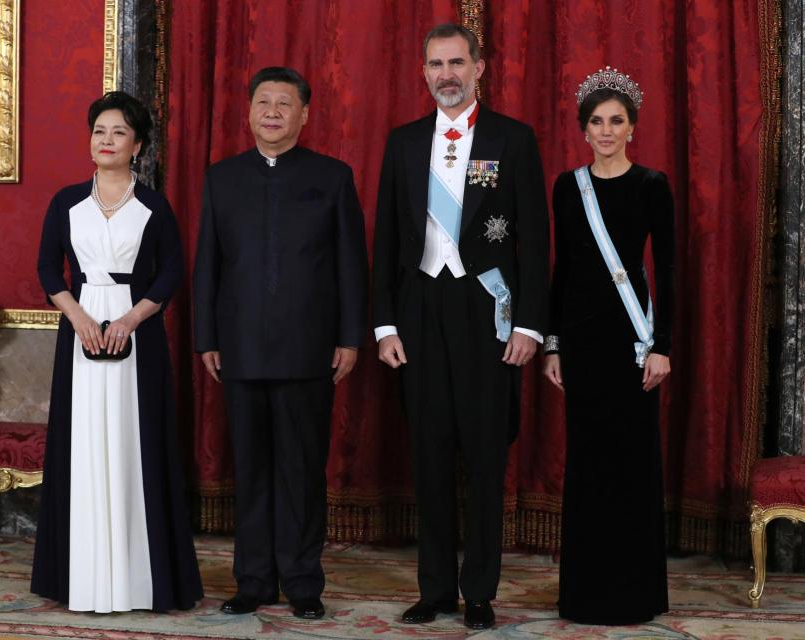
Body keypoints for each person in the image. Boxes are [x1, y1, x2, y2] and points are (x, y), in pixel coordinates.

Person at [372, 24, 549, 630]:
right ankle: (436, 589)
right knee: (429, 457)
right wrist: (384, 325)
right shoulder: (401, 143)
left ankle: (479, 592)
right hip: (419, 313)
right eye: (435, 64)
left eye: (456, 62)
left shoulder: (514, 139)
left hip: (488, 314)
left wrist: (530, 325)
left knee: (483, 455)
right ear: (423, 72)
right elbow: (387, 243)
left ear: (480, 68)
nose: (445, 73)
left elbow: (536, 242)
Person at [193, 67, 368, 620]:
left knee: (300, 468)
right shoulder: (222, 178)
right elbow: (209, 267)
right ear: (248, 112)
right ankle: (253, 580)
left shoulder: (333, 177)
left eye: (284, 103)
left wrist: (349, 336)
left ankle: (301, 580)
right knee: (251, 468)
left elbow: (350, 265)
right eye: (263, 102)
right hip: (239, 347)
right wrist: (206, 337)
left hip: (310, 348)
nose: (272, 112)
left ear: (304, 115)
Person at [31, 91, 203, 612]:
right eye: (99, 131)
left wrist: (130, 319)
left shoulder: (153, 205)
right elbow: (46, 269)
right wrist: (80, 318)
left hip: (138, 332)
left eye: (119, 133)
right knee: (80, 444)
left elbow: (172, 270)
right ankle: (78, 578)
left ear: (139, 145)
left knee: (138, 445)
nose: (106, 141)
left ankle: (141, 580)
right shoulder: (65, 202)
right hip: (80, 332)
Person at [542, 67, 673, 624]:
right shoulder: (568, 187)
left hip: (632, 345)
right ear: (583, 129)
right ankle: (585, 594)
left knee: (632, 466)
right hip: (582, 344)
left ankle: (634, 595)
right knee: (589, 467)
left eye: (616, 121)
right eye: (596, 121)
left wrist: (661, 345)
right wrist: (552, 344)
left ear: (632, 127)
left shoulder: (651, 185)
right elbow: (563, 269)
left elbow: (667, 271)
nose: (606, 130)